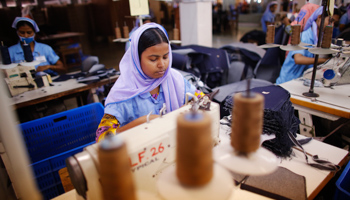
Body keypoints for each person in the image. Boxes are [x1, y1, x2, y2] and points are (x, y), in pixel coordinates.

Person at [96, 23, 205, 142]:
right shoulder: (123, 92)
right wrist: (141, 124)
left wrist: (186, 110)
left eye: (165, 57)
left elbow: (203, 100)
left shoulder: (174, 78)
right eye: (153, 59)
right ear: (136, 58)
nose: (162, 65)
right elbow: (102, 140)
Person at [276, 6, 331, 84]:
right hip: (288, 80)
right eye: (330, 21)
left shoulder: (317, 38)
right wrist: (325, 60)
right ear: (319, 17)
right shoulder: (305, 36)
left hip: (299, 79)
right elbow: (298, 59)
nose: (332, 25)